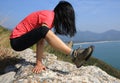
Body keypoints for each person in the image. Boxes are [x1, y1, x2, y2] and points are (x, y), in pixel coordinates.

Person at [10, 1, 94, 73]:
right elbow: (41, 40)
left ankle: (70, 52)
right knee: (44, 31)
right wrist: (38, 63)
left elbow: (40, 40)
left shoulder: (49, 16)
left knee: (44, 31)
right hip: (17, 41)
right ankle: (75, 55)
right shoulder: (50, 16)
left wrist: (39, 62)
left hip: (18, 41)